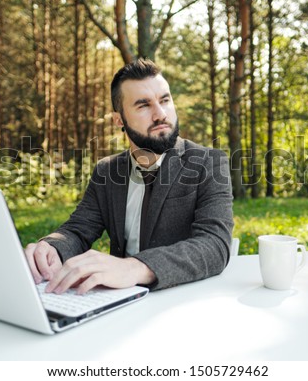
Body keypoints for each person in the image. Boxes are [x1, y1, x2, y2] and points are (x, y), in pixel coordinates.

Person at [25, 58, 234, 294]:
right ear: (119, 120)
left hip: (182, 300)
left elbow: (215, 245)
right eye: (143, 105)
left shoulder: (209, 162)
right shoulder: (107, 171)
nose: (160, 114)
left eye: (165, 100)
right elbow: (77, 230)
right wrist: (51, 247)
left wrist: (134, 268)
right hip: (118, 302)